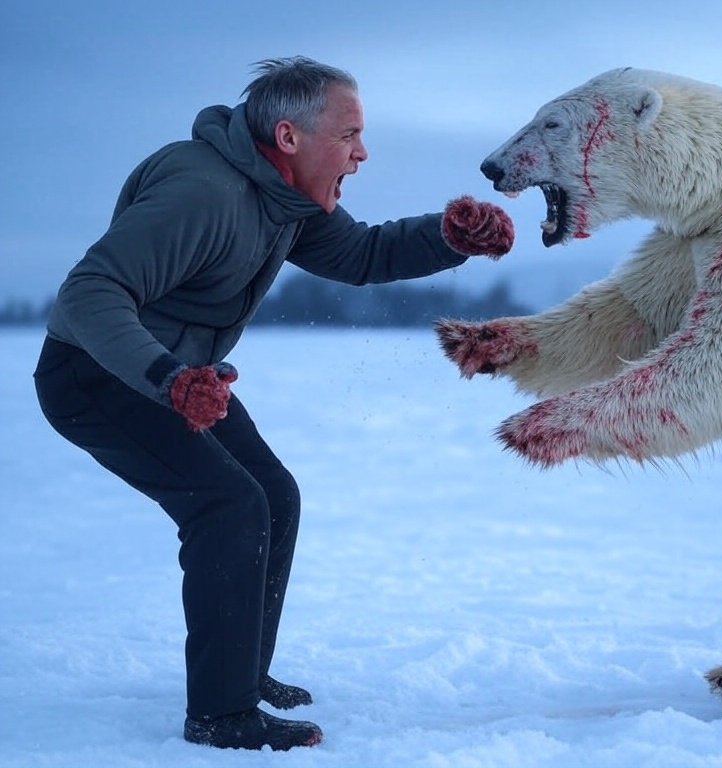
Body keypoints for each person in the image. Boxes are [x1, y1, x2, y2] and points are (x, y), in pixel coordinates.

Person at [32, 56, 514, 751]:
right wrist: (169, 377)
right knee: (227, 503)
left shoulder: (283, 199)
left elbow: (363, 255)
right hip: (98, 373)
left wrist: (445, 238)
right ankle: (221, 716)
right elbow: (87, 296)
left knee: (272, 494)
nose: (362, 151)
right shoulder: (202, 191)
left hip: (179, 375)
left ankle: (242, 674)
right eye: (349, 134)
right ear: (288, 136)